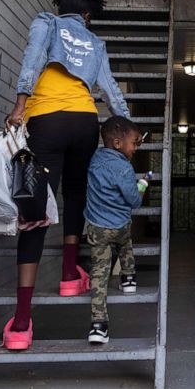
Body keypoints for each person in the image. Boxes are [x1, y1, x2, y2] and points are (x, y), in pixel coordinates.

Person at [1, 0, 131, 351]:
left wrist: (19, 106)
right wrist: (128, 128)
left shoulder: (48, 22)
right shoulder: (96, 43)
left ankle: (22, 322)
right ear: (87, 15)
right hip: (85, 122)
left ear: (62, 8)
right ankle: (69, 275)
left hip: (48, 120)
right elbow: (111, 91)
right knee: (76, 194)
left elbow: (32, 58)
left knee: (35, 208)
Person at [84, 116, 149, 344]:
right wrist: (141, 187)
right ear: (118, 144)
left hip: (97, 228)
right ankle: (129, 278)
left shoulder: (94, 160)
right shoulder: (124, 168)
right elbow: (133, 201)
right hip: (120, 226)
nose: (136, 148)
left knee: (99, 273)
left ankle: (98, 325)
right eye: (134, 143)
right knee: (126, 244)